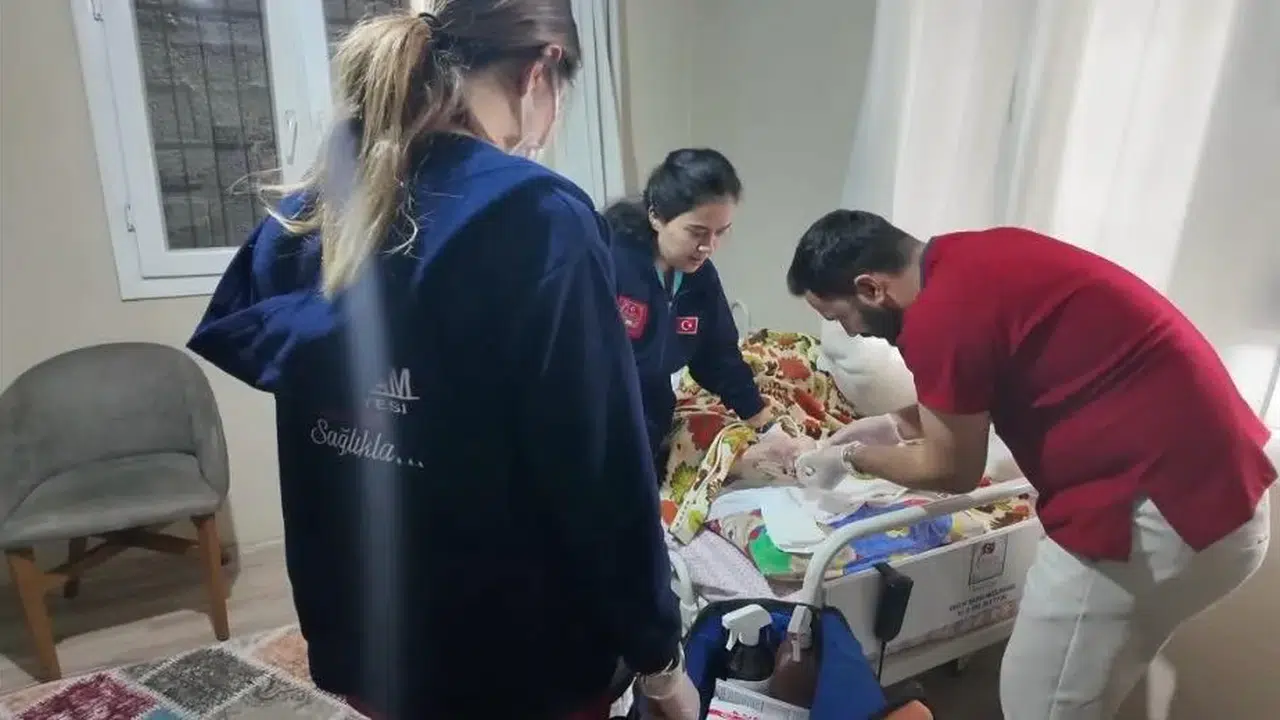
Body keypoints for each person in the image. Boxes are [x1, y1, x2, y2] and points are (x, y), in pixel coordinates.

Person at [187, 5, 697, 718]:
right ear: (541, 72)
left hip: (365, 637)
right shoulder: (535, 215)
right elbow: (598, 465)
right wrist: (660, 658)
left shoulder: (310, 215)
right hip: (515, 658)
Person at [785, 210, 1275, 720]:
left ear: (870, 288)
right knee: (1088, 685)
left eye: (840, 318)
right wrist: (889, 426)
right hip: (1226, 498)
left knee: (1038, 701)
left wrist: (852, 457)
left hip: (1158, 516)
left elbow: (950, 471)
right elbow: (969, 388)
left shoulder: (938, 316)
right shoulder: (973, 257)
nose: (851, 333)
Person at [603, 149, 775, 460]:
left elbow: (718, 357)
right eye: (697, 232)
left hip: (650, 418)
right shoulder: (609, 262)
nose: (708, 247)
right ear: (656, 216)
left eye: (720, 233)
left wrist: (766, 426)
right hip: (597, 415)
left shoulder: (701, 279)